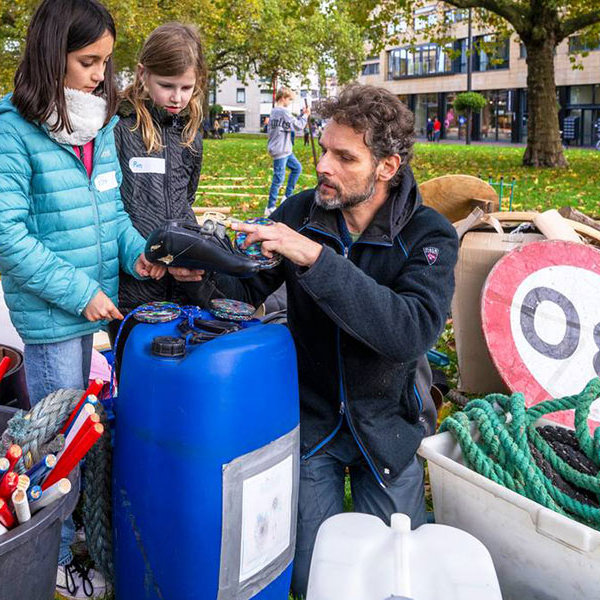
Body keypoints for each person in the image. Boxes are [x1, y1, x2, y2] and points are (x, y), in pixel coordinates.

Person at [175, 84, 458, 597]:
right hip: (314, 422)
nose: (324, 165)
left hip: (388, 425)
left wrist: (314, 259)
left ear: (387, 167)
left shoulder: (429, 234)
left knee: (394, 577)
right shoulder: (300, 212)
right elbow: (246, 292)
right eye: (322, 149)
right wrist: (202, 272)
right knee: (312, 576)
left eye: (343, 156)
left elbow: (409, 331)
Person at [0, 0, 164, 597]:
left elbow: (109, 210)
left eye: (106, 62)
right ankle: (49, 560)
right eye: (89, 61)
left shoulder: (98, 124)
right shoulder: (11, 130)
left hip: (90, 309)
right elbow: (9, 237)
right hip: (55, 313)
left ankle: (67, 536)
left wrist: (136, 252)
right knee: (57, 447)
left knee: (80, 431)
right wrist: (82, 291)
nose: (101, 75)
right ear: (51, 53)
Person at [111, 22, 208, 363]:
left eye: (187, 88)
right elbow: (109, 203)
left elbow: (187, 196)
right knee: (134, 371)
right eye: (167, 86)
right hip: (134, 282)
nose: (177, 97)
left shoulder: (191, 135)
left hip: (183, 284)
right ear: (143, 74)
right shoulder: (121, 128)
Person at [265, 87, 309, 217]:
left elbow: (290, 124)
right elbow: (298, 126)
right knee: (278, 178)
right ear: (283, 98)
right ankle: (270, 206)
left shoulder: (274, 111)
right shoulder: (283, 112)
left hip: (285, 149)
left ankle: (287, 196)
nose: (290, 102)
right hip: (280, 149)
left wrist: (302, 115)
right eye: (289, 99)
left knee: (297, 168)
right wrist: (305, 115)